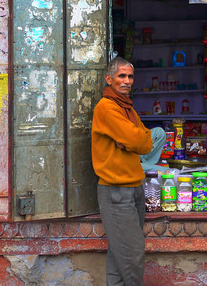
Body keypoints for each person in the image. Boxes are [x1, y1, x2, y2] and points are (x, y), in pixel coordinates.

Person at [91, 56, 153, 286]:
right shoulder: (107, 107)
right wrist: (132, 139)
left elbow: (146, 141)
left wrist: (131, 140)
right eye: (121, 76)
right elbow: (135, 138)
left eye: (130, 76)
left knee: (120, 257)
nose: (127, 81)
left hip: (133, 188)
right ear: (109, 79)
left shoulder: (126, 107)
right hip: (116, 191)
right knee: (132, 256)